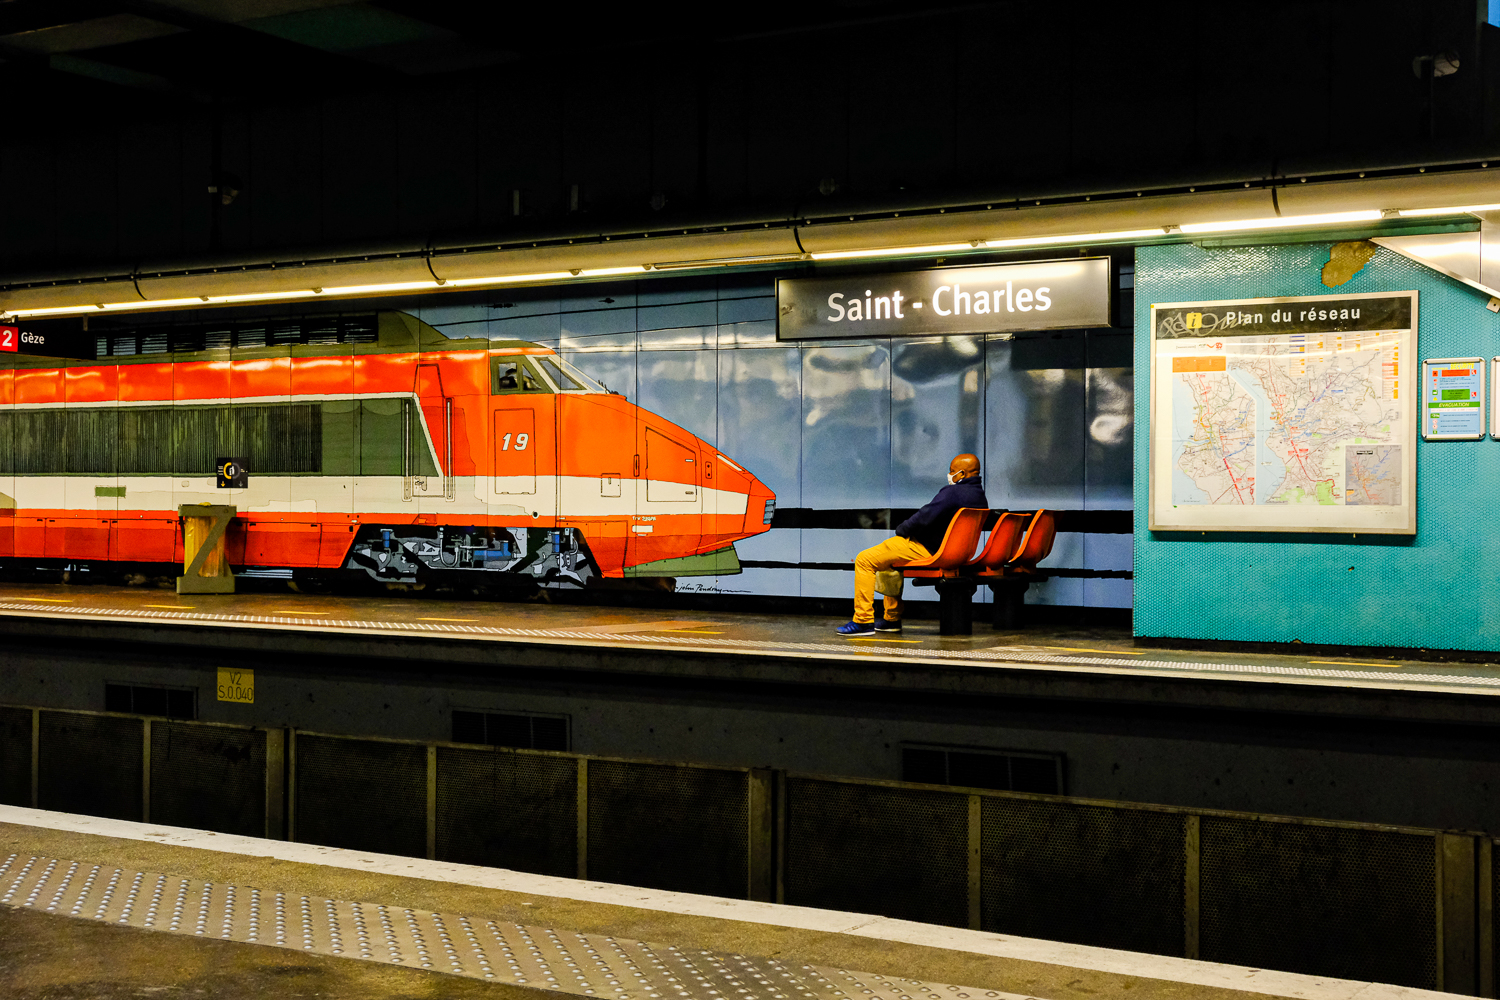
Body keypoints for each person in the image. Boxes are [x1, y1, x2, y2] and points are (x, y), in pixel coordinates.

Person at [836, 453, 987, 636]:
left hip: (927, 549)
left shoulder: (952, 493)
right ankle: (891, 619)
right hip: (955, 553)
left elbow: (925, 516)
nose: (949, 475)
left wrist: (903, 529)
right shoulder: (980, 498)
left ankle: (863, 621)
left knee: (864, 560)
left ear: (961, 474)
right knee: (887, 561)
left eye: (951, 471)